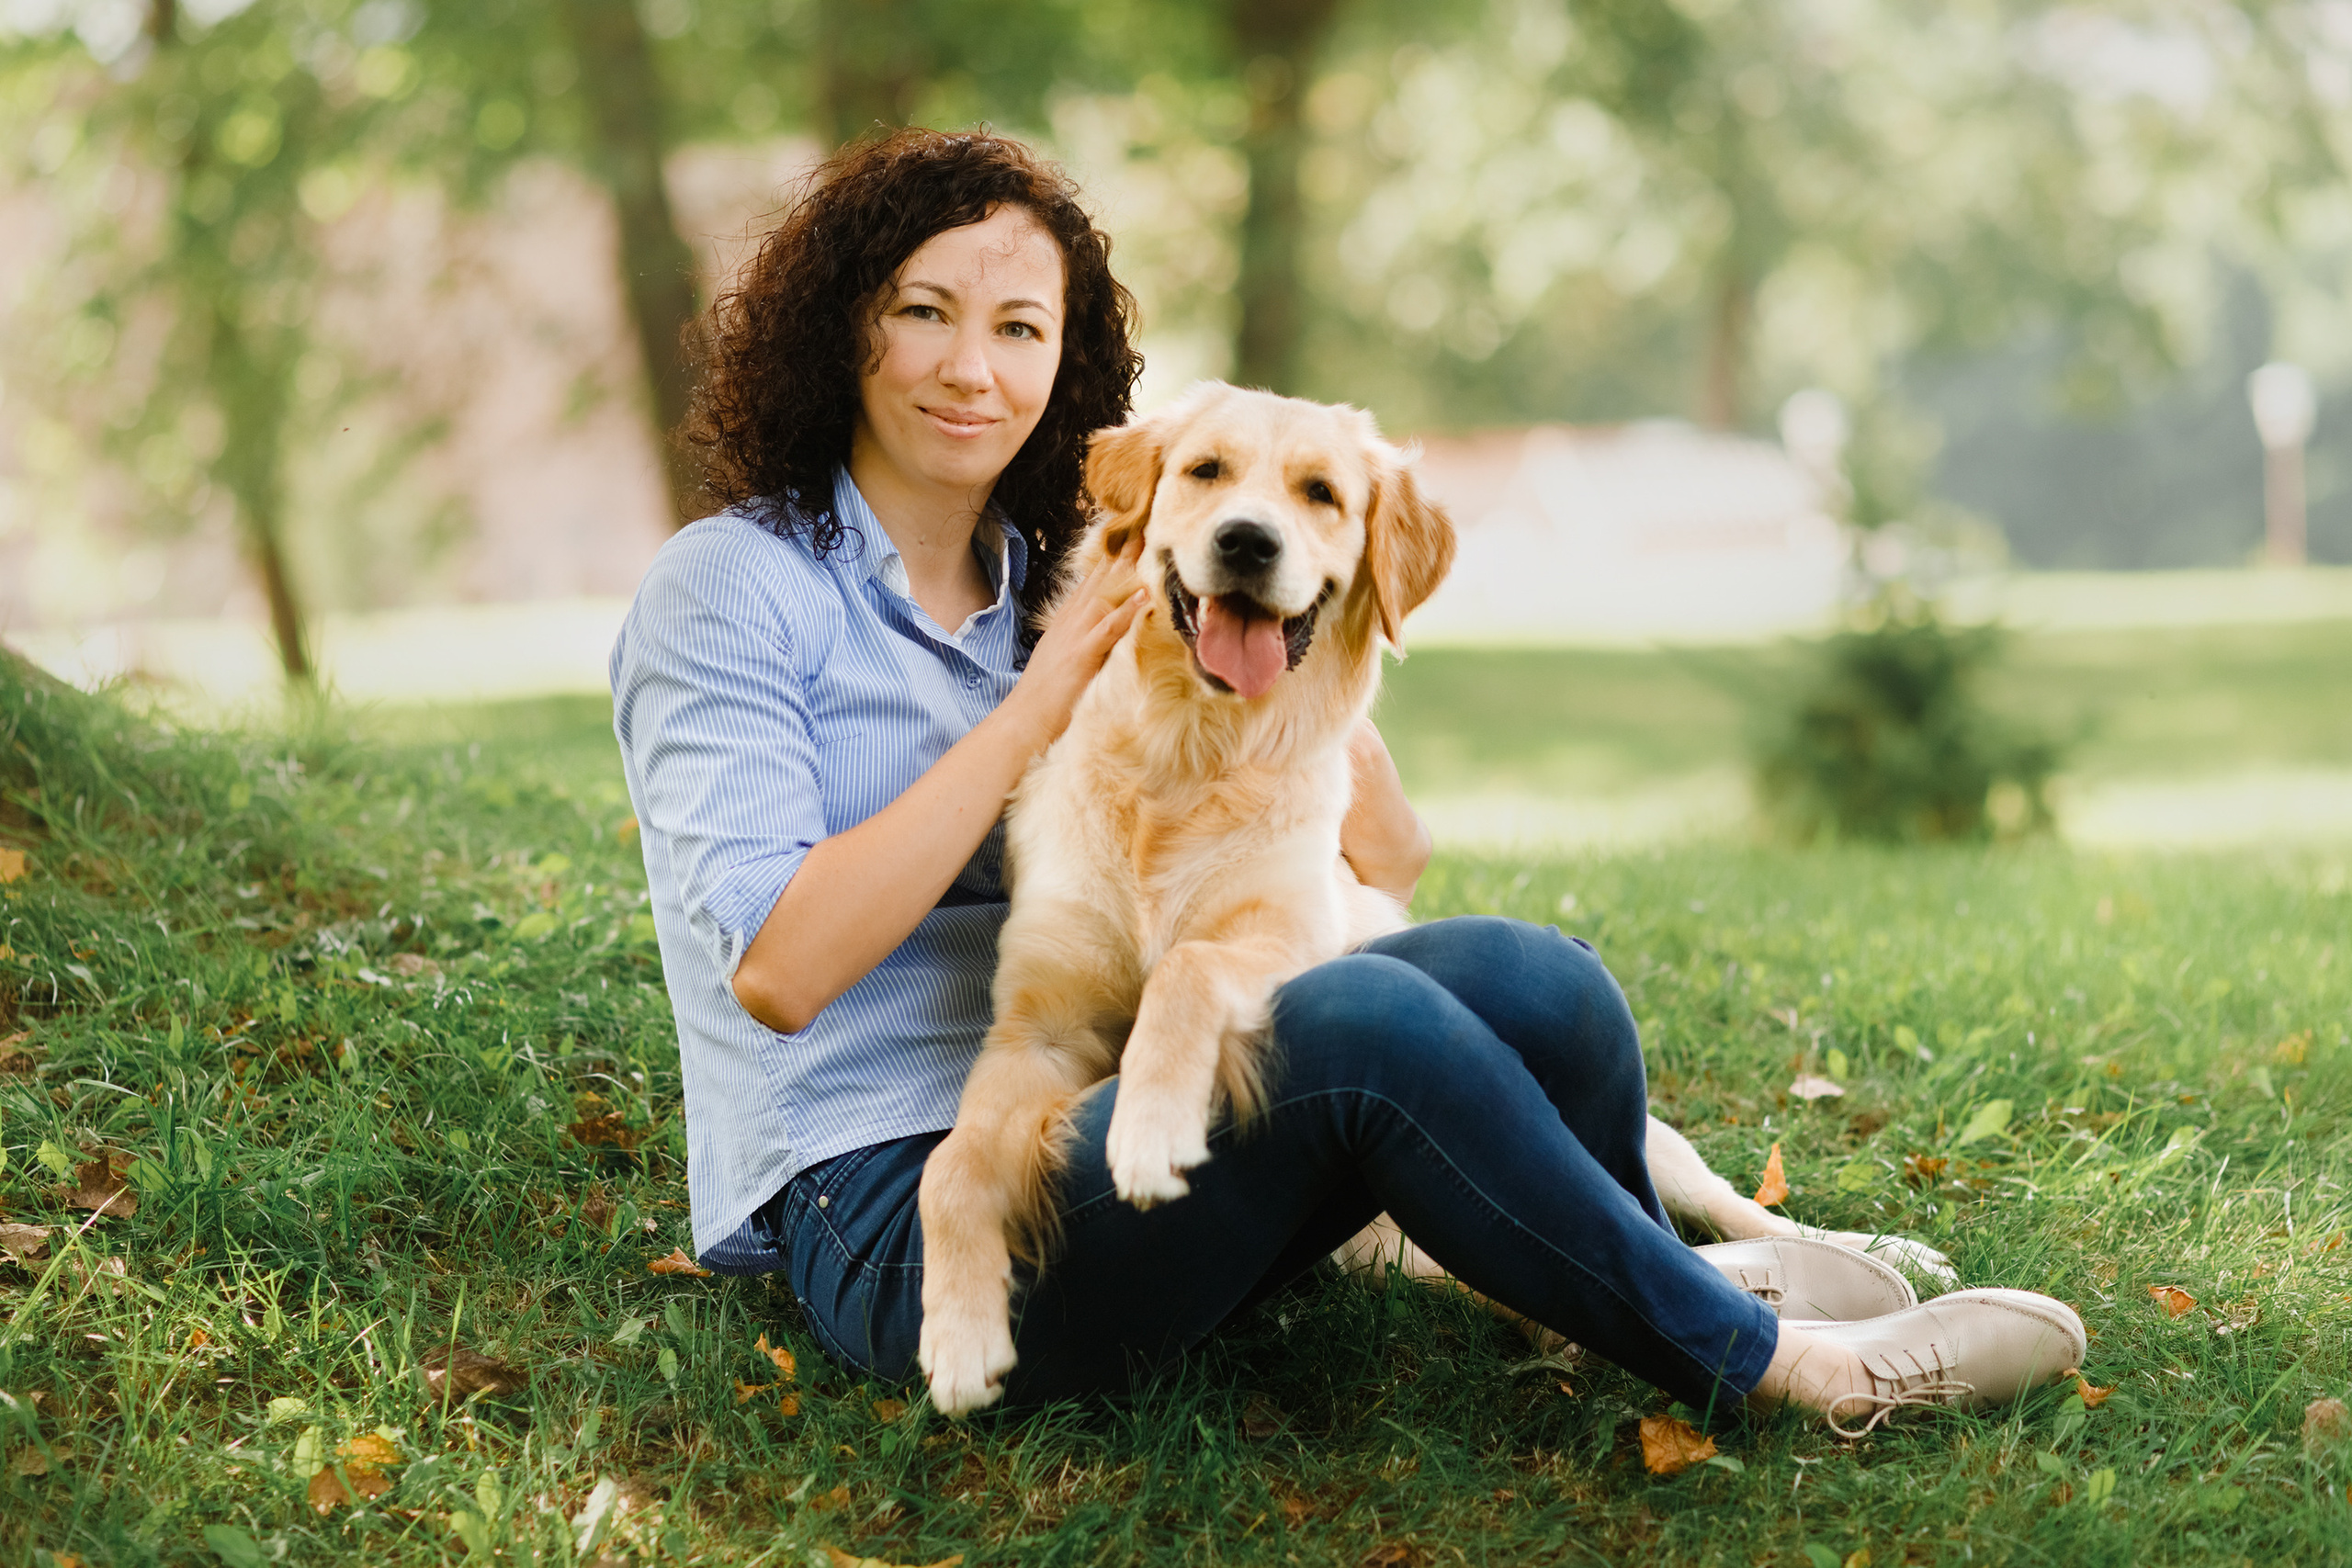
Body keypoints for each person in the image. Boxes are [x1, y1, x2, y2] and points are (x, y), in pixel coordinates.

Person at [609, 127, 2084, 1429]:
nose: (971, 366)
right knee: (1366, 1021)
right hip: (893, 1209)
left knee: (1537, 976)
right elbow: (781, 971)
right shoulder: (733, 591)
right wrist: (1039, 702)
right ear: (841, 330)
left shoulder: (1091, 565)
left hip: (1133, 1112)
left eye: (1018, 325)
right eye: (922, 313)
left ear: (1065, 358)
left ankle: (1641, 1255)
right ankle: (1786, 1370)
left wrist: (1302, 659)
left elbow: (1386, 857)